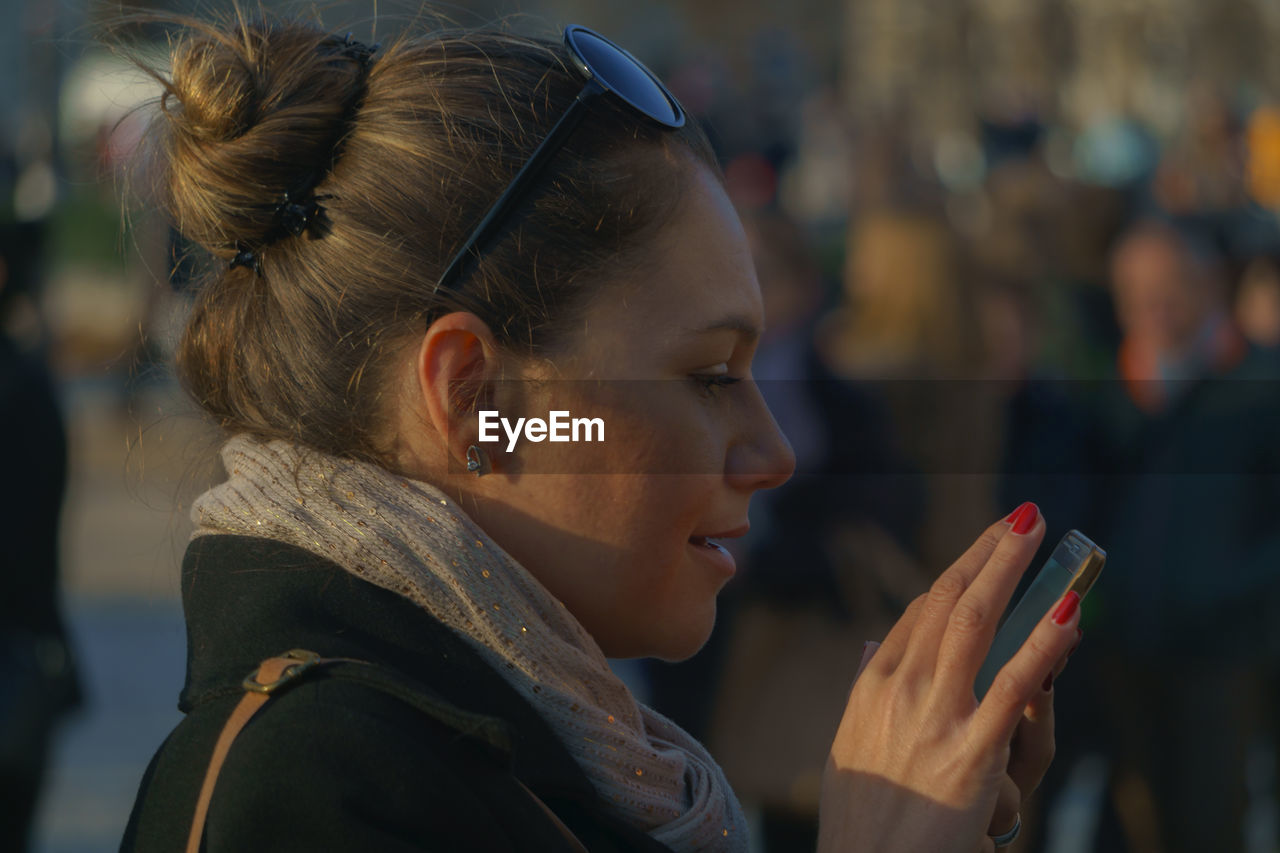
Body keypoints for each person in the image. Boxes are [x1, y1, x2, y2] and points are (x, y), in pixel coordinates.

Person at [116, 12, 1083, 852]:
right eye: (707, 377)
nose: (774, 453)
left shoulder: (536, 743)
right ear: (473, 400)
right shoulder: (306, 797)